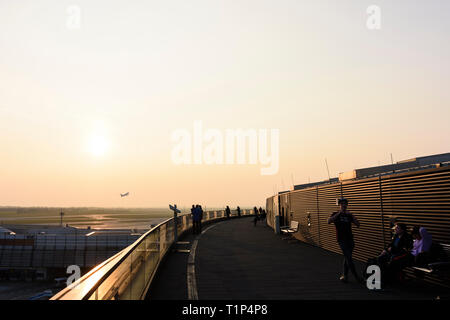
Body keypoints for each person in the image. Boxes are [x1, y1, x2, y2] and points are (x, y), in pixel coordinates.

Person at [328, 198, 362, 283]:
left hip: (350, 239)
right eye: (342, 204)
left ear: (347, 205)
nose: (344, 205)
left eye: (345, 204)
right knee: (349, 258)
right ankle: (356, 277)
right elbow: (329, 221)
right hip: (341, 239)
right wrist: (339, 213)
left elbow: (358, 225)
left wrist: (352, 216)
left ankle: (344, 276)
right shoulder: (335, 214)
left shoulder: (349, 215)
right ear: (340, 205)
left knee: (347, 258)